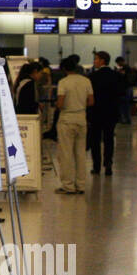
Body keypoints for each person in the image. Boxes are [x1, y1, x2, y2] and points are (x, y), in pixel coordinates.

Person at [54, 55, 93, 194]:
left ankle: (68, 186)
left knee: (66, 154)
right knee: (80, 153)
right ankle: (81, 185)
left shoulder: (63, 82)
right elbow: (91, 101)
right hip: (81, 119)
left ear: (64, 68)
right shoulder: (86, 81)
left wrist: (58, 105)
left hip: (67, 119)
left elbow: (60, 103)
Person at [88, 51, 123, 176]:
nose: (94, 61)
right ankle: (108, 164)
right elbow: (121, 94)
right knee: (109, 139)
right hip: (111, 112)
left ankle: (96, 166)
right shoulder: (116, 75)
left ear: (102, 60)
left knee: (95, 140)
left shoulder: (93, 76)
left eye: (96, 59)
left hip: (96, 113)